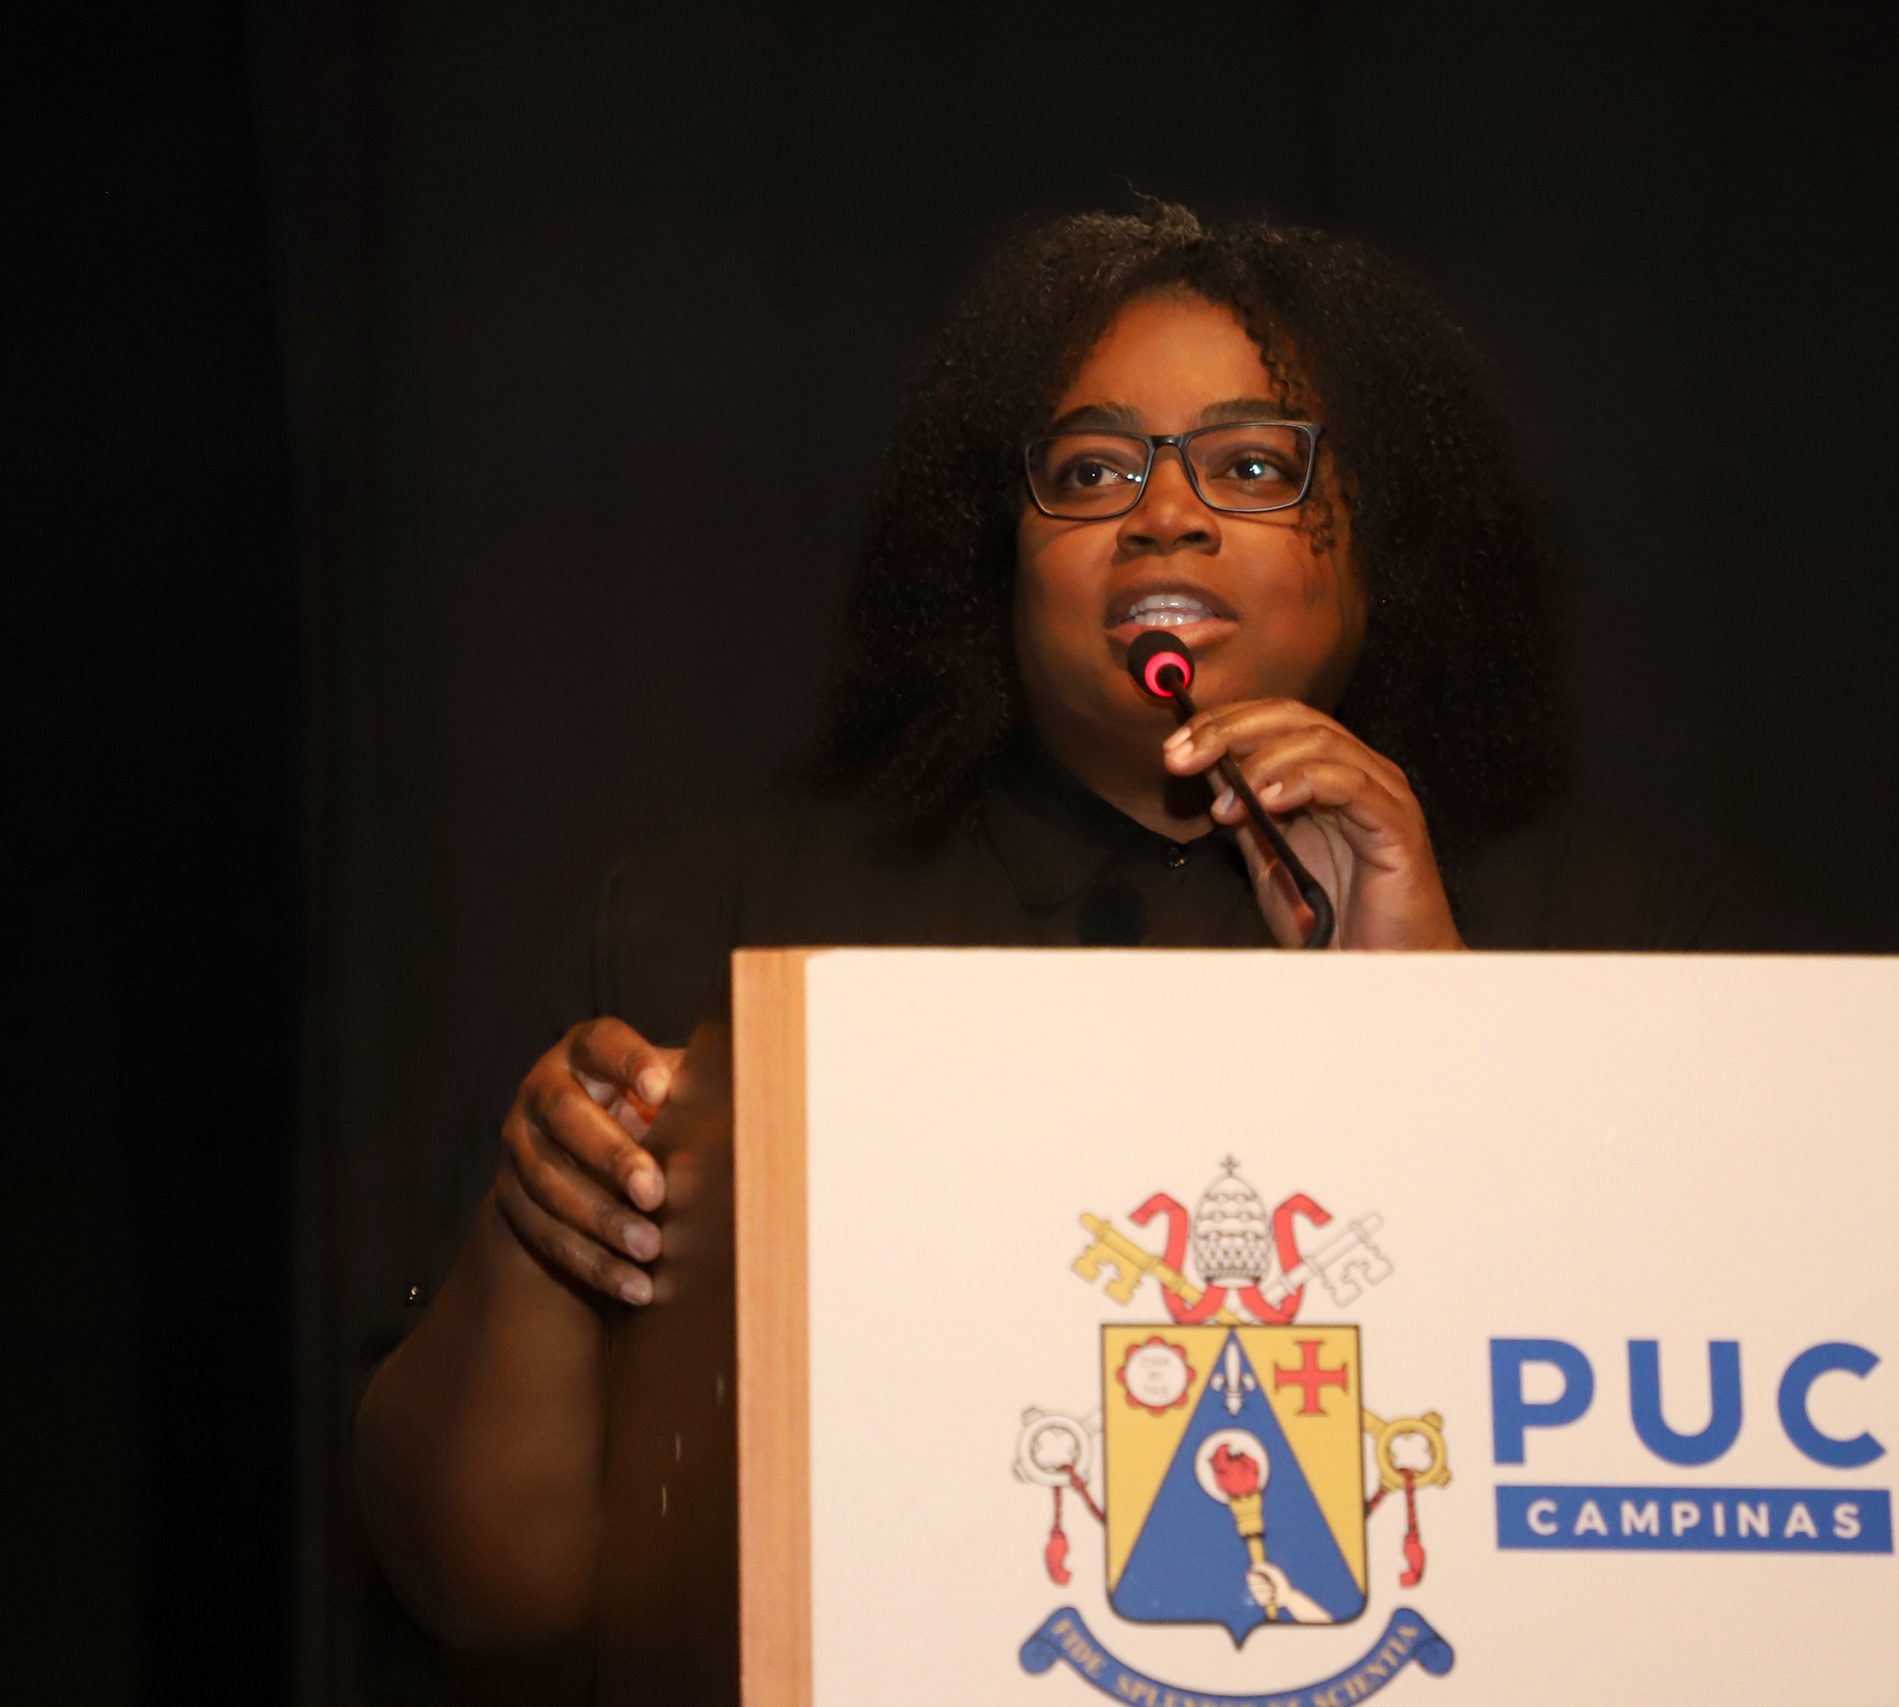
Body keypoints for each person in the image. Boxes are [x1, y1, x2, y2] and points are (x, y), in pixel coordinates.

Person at [352, 201, 1719, 1658]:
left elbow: (1668, 1501)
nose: (1164, 513)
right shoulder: (718, 926)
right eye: (1091, 471)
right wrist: (535, 1229)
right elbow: (498, 1605)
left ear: (1386, 547)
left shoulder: (1587, 930)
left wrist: (1434, 1024)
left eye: (1254, 466)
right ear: (999, 560)